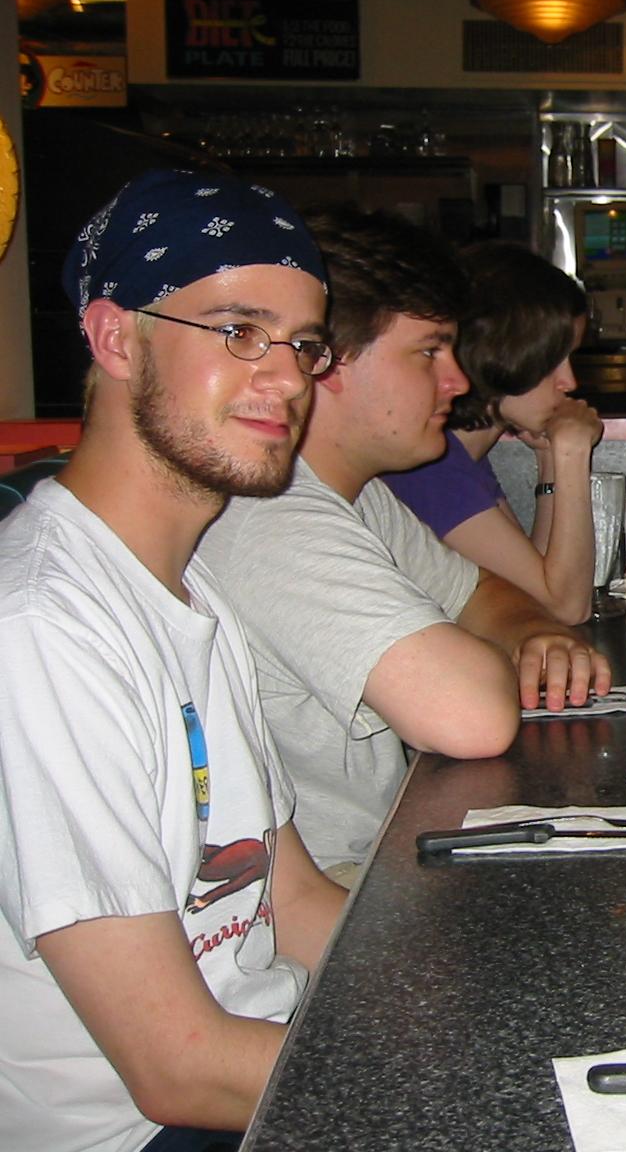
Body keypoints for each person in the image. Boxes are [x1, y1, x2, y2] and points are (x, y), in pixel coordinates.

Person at [0, 169, 347, 1150]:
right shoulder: (42, 626)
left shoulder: (188, 592)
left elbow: (291, 899)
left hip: (260, 1064)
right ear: (116, 338)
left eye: (304, 345)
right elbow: (176, 1070)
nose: (290, 380)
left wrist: (483, 984)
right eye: (239, 332)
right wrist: (482, 1073)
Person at [199, 206, 610, 884]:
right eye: (429, 352)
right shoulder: (270, 514)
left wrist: (533, 632)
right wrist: (508, 645)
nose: (458, 380)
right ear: (331, 363)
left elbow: (482, 592)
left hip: (385, 854)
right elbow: (469, 718)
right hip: (329, 887)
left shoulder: (358, 496)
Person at [383, 242, 602, 626]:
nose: (569, 382)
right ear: (503, 352)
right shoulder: (429, 469)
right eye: (552, 361)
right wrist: (572, 453)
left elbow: (529, 587)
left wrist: (549, 460)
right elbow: (564, 607)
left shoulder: (460, 455)